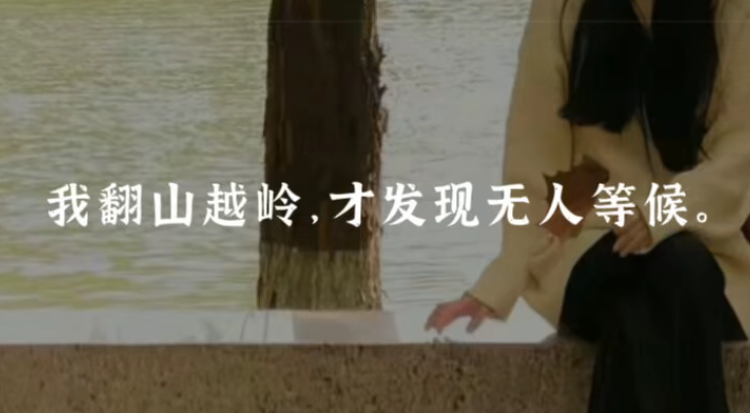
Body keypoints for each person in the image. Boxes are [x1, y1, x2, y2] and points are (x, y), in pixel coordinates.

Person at [425, 0, 750, 411]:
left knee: (659, 287)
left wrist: (662, 213)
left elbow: (739, 155)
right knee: (672, 276)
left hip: (707, 245)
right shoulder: (560, 6)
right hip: (587, 246)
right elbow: (534, 159)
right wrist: (501, 282)